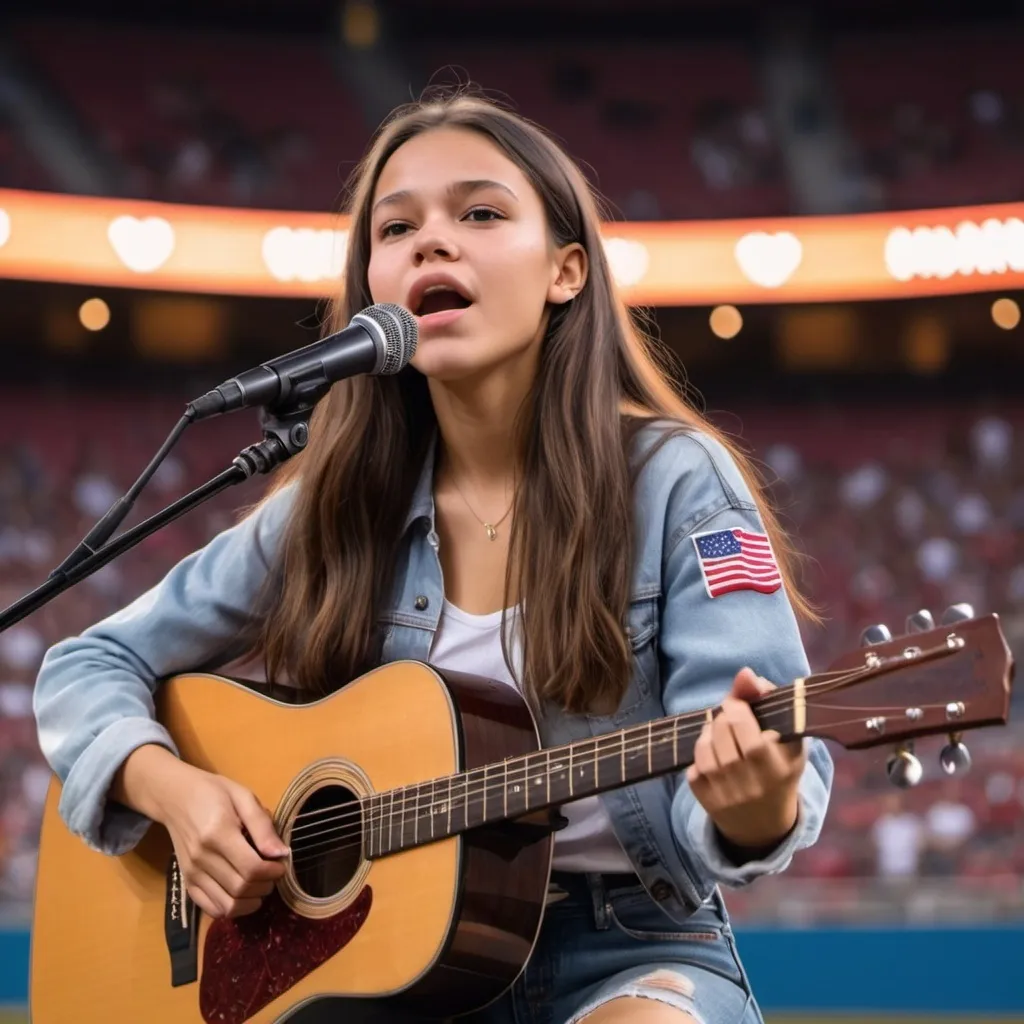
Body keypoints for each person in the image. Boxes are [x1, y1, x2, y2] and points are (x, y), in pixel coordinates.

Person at [34, 90, 833, 1024]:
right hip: (385, 971)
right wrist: (174, 792)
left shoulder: (675, 482)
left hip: (631, 946)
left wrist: (753, 804)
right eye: (397, 226)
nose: (432, 241)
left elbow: (767, 765)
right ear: (374, 284)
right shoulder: (333, 505)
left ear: (566, 270)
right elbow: (86, 664)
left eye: (481, 213)